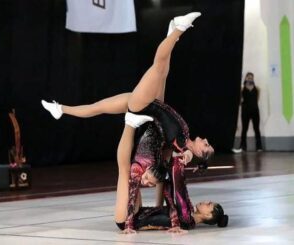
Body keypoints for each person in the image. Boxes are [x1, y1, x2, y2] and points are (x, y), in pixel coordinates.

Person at [42, 12, 215, 233]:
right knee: (102, 105)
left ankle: (177, 30)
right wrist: (165, 209)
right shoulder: (181, 140)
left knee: (159, 68)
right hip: (151, 109)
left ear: (200, 154)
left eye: (206, 146)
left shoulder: (182, 151)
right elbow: (165, 180)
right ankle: (60, 109)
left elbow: (173, 175)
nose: (206, 141)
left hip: (143, 107)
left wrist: (187, 157)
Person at [233, 72, 262, 153]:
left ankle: (259, 147)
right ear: (245, 78)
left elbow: (257, 99)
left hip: (255, 111)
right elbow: (240, 101)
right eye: (248, 77)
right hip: (245, 111)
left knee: (257, 129)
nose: (250, 78)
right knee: (244, 129)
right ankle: (243, 147)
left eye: (251, 77)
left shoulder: (257, 89)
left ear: (253, 78)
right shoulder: (242, 89)